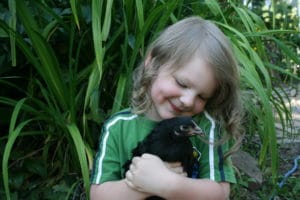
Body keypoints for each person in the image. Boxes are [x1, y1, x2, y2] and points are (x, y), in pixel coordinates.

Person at [90, 16, 243, 200]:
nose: (187, 101)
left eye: (202, 96)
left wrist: (169, 185)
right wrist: (145, 185)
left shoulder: (206, 127)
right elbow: (98, 195)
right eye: (182, 83)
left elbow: (220, 193)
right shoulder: (118, 127)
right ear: (152, 63)